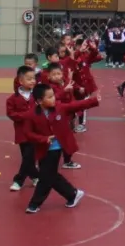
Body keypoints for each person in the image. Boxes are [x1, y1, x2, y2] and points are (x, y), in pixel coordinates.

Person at [22, 83, 98, 213]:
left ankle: (34, 204)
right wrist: (43, 139)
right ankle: (72, 194)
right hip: (42, 148)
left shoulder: (59, 108)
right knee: (50, 175)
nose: (53, 99)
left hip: (55, 148)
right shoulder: (31, 115)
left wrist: (93, 100)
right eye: (50, 97)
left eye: (53, 96)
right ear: (40, 101)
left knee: (46, 176)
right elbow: (28, 133)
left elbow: (75, 105)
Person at [6, 65, 39, 191]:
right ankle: (36, 176)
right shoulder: (12, 99)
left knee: (28, 156)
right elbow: (11, 114)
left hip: (35, 132)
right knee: (27, 157)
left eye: (34, 78)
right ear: (20, 81)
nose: (33, 81)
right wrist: (25, 116)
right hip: (21, 133)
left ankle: (18, 180)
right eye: (29, 79)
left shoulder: (37, 95)